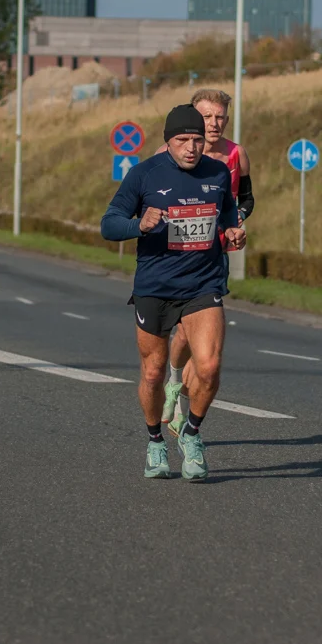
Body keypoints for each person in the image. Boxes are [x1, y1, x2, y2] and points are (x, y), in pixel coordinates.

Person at [101, 104, 246, 481]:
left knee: (209, 367)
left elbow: (227, 213)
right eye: (183, 140)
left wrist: (233, 231)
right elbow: (109, 224)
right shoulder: (144, 174)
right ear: (168, 141)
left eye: (197, 140)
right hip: (155, 287)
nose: (191, 148)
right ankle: (155, 442)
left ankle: (192, 433)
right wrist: (139, 225)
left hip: (203, 283)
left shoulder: (217, 172)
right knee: (153, 373)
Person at [158, 89, 255, 436]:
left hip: (213, 256)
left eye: (220, 117)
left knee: (200, 338)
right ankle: (173, 381)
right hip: (175, 257)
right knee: (183, 331)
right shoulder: (165, 154)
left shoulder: (236, 154)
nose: (214, 124)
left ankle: (183, 401)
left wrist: (235, 221)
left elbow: (247, 199)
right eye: (207, 117)